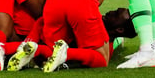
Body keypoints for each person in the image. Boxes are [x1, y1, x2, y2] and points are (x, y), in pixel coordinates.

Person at [7, 8, 137, 71]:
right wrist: (31, 40)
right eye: (114, 10)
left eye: (115, 14)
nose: (110, 11)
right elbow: (42, 21)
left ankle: (1, 48)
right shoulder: (90, 19)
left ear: (120, 30)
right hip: (45, 41)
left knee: (101, 60)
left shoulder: (104, 50)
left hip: (50, 48)